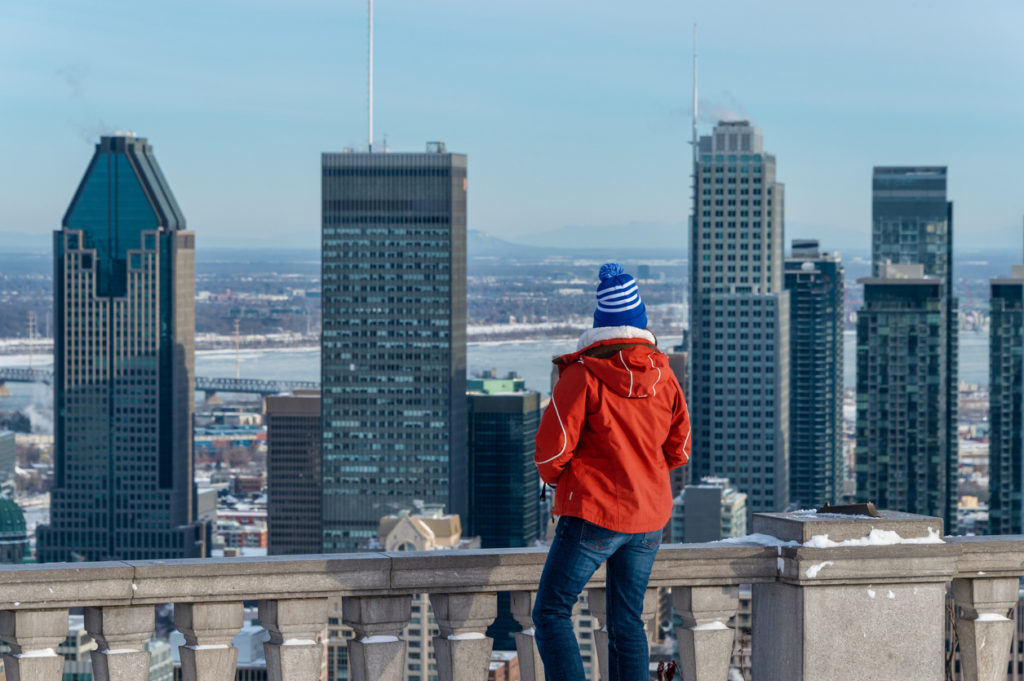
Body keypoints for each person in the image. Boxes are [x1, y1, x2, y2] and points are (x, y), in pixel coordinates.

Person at [532, 262, 691, 681]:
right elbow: (680, 448)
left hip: (593, 512)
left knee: (550, 611)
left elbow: (552, 451)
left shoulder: (581, 375)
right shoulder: (665, 375)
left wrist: (563, 480)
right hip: (649, 518)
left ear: (600, 326)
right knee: (627, 620)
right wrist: (645, 469)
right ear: (640, 325)